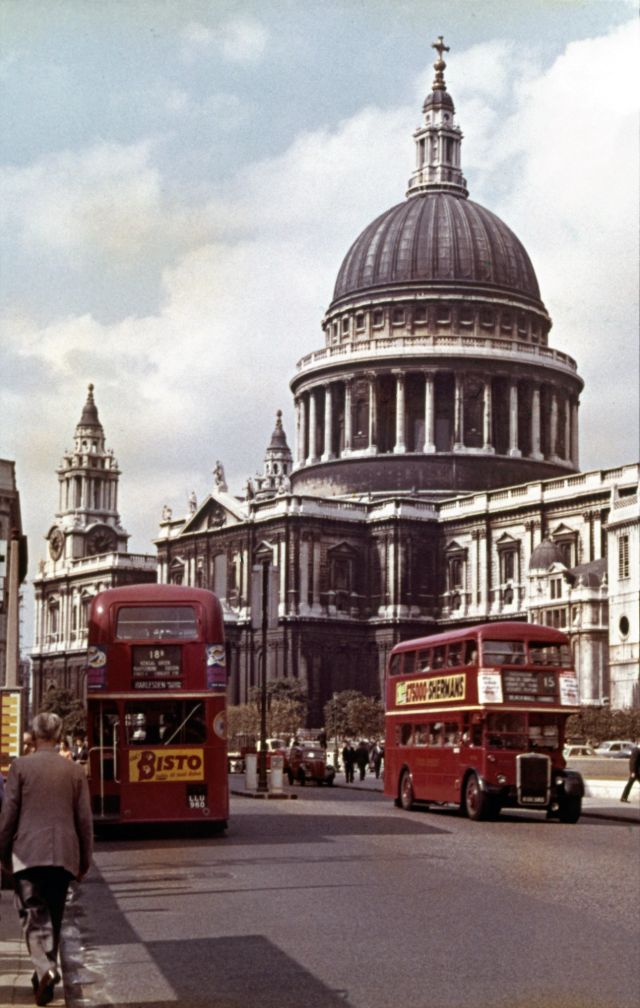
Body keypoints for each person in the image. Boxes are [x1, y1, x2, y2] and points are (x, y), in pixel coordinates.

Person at [0, 712, 93, 1007]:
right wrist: (84, 859)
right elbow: (84, 821)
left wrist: (2, 852)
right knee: (52, 915)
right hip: (64, 853)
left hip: (27, 852)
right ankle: (45, 979)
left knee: (31, 913)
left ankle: (45, 969)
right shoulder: (74, 770)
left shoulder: (20, 767)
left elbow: (9, 815)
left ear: (34, 735)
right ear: (58, 734)